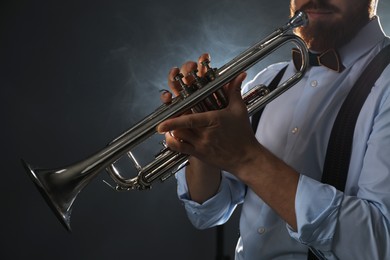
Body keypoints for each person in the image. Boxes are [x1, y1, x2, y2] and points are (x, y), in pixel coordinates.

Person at [158, 0, 390, 259]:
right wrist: (199, 142)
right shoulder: (270, 79)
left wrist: (247, 158)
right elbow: (209, 213)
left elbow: (377, 246)